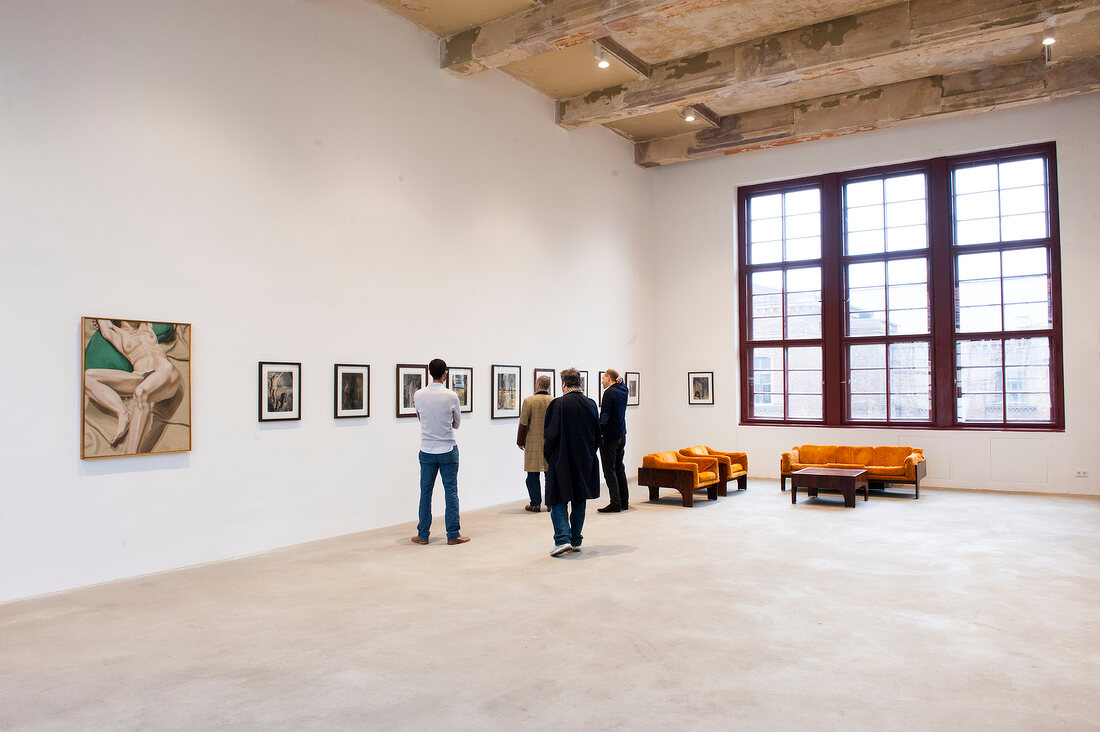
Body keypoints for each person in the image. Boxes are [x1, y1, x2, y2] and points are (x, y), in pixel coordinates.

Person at [83, 319, 182, 454]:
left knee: (141, 393)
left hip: (164, 372)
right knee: (87, 377)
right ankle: (123, 414)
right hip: (140, 377)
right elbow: (103, 321)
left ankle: (131, 454)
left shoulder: (147, 326)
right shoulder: (115, 333)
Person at [411, 358, 469, 546]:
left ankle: (423, 534)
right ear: (444, 373)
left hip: (426, 449)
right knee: (450, 491)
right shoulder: (451, 395)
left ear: (430, 372)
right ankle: (453, 534)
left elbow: (420, 418)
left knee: (425, 492)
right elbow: (457, 423)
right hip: (447, 448)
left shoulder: (418, 395)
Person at [543, 368, 601, 556]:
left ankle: (562, 539)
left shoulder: (558, 404)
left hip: (562, 459)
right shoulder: (591, 404)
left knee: (558, 498)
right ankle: (575, 539)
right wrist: (590, 453)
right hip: (585, 459)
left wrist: (549, 456)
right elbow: (597, 435)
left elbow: (550, 436)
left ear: (564, 384)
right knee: (579, 499)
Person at [517, 375, 553, 512]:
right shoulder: (553, 401)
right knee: (549, 474)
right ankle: (550, 503)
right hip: (549, 443)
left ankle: (535, 503)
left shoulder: (529, 401)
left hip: (532, 442)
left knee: (532, 475)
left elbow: (523, 423)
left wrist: (520, 441)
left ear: (537, 385)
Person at [597, 368, 630, 513]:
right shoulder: (623, 390)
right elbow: (624, 385)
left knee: (609, 471)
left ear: (609, 378)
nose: (602, 381)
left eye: (603, 378)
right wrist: (620, 381)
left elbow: (604, 415)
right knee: (619, 468)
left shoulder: (609, 393)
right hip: (621, 435)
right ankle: (624, 501)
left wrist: (600, 433)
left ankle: (615, 502)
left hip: (609, 437)